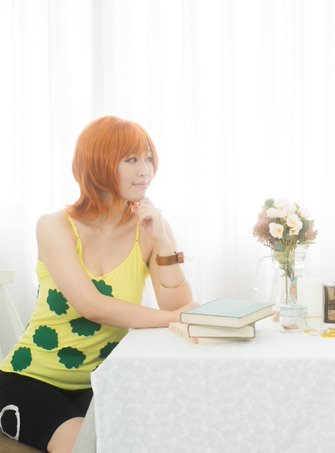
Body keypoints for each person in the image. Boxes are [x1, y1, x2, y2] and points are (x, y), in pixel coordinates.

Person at [0, 116, 196, 452]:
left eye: (148, 158)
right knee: (84, 444)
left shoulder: (149, 228)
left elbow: (177, 305)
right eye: (131, 159)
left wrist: (163, 241)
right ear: (97, 164)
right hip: (30, 379)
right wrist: (173, 319)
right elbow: (90, 306)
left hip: (102, 381)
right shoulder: (54, 226)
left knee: (160, 433)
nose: (145, 171)